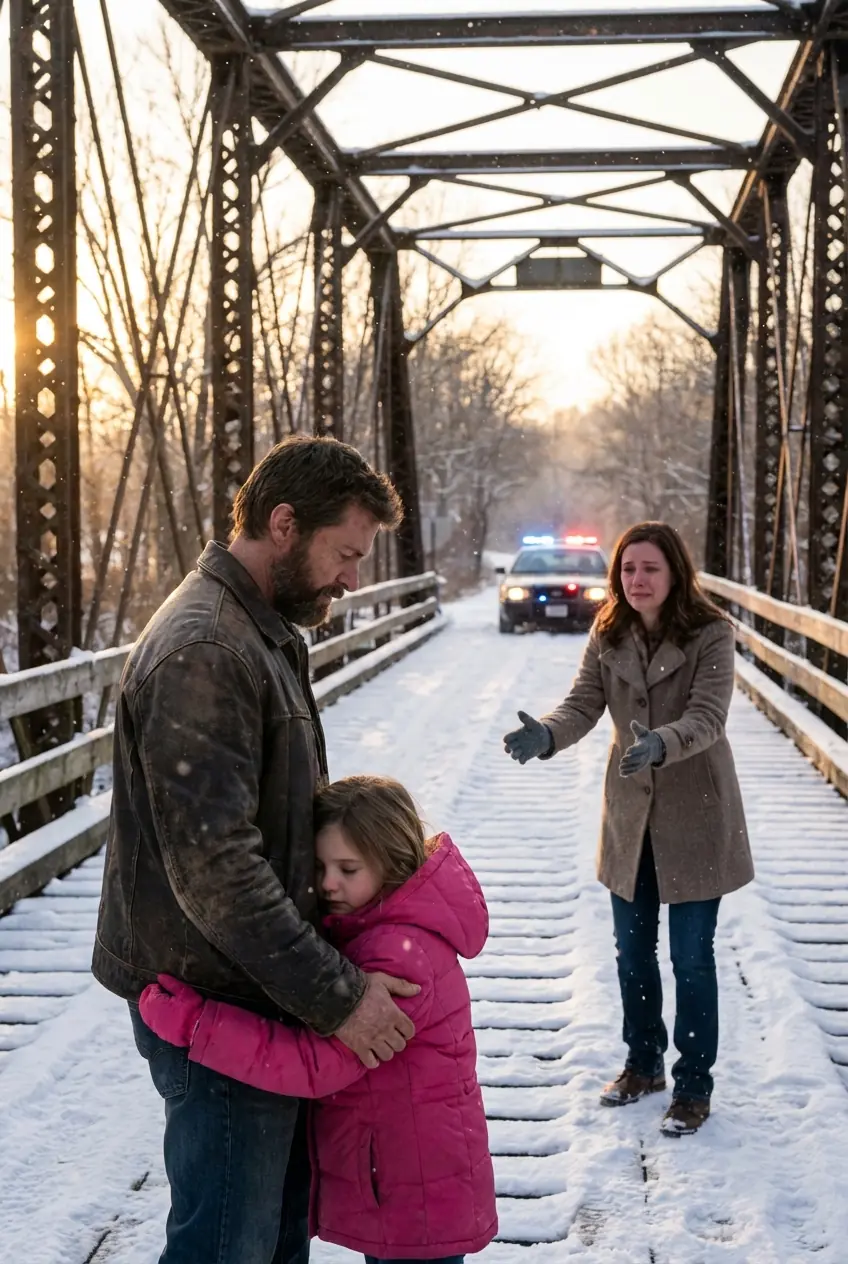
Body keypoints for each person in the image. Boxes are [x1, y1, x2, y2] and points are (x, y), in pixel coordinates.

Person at [92, 436, 424, 1264]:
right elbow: (218, 870)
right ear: (284, 524)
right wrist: (341, 997)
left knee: (269, 1242)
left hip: (257, 995)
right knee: (226, 1249)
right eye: (344, 553)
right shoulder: (208, 649)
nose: (353, 577)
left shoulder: (257, 630)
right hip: (218, 1001)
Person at [139, 775, 498, 1264]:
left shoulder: (398, 959)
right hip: (408, 1178)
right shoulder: (378, 929)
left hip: (416, 1190)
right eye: (321, 866)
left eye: (348, 869)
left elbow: (314, 1064)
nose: (329, 883)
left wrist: (197, 1025)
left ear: (392, 865)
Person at [503, 521, 753, 1137]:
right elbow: (584, 702)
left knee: (691, 958)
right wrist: (550, 734)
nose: (636, 580)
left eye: (650, 569)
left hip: (695, 812)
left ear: (675, 574)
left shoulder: (711, 634)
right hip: (630, 820)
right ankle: (643, 1065)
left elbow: (708, 717)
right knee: (633, 955)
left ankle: (694, 1084)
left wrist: (662, 743)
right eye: (628, 569)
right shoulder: (607, 630)